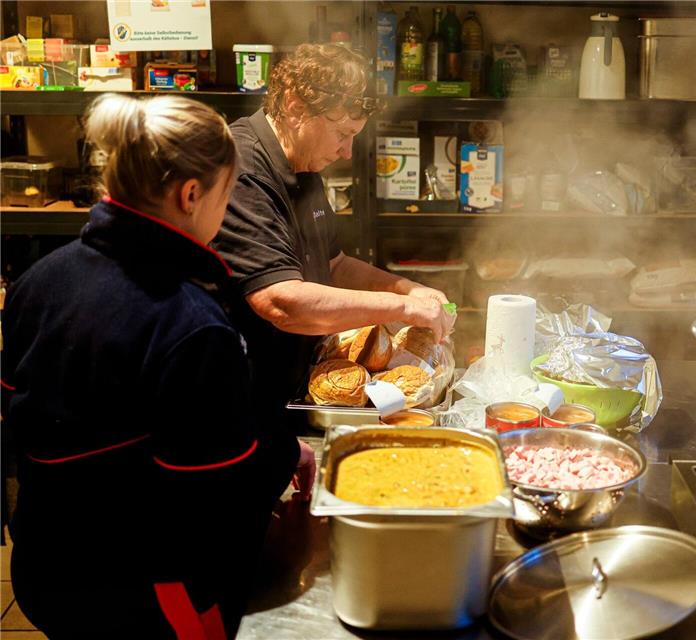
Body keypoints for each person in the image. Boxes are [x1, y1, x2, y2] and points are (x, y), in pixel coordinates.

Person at [0, 94, 310, 639]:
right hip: (147, 591)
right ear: (190, 195)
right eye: (226, 194)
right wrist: (282, 455)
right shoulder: (190, 322)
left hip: (43, 565)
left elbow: (18, 417)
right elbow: (216, 491)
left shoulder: (39, 279)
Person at [212, 44, 455, 424]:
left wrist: (407, 289)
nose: (347, 152)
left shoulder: (302, 165)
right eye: (343, 133)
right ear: (295, 108)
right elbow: (282, 303)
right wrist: (403, 308)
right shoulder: (243, 171)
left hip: (295, 385)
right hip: (242, 401)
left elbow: (335, 265)